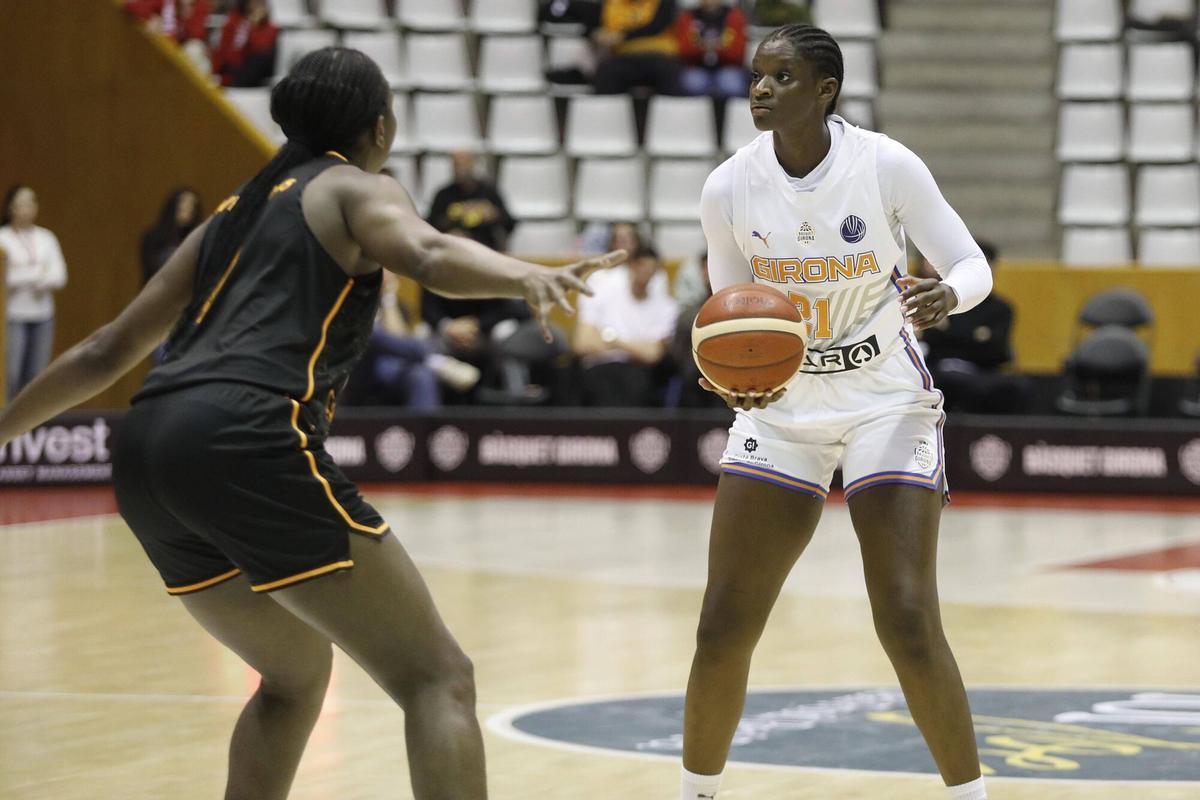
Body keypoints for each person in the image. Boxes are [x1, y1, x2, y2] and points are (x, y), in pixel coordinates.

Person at [0, 48, 623, 799]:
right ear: (380, 126)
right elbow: (423, 250)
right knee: (439, 679)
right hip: (245, 438)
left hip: (144, 454)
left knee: (295, 675)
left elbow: (106, 351)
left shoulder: (232, 213)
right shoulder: (355, 188)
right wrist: (523, 273)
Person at [682, 25, 993, 800]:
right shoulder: (728, 187)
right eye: (757, 76)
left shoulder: (885, 164)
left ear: (824, 91)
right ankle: (695, 794)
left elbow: (970, 261)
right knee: (723, 625)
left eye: (781, 77)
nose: (760, 89)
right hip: (783, 410)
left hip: (886, 399)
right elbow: (731, 314)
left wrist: (948, 293)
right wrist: (732, 381)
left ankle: (971, 795)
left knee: (908, 619)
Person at [918, 241, 1030, 414]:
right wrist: (975, 336)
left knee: (1018, 386)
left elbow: (997, 349)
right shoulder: (944, 299)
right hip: (940, 368)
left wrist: (949, 331)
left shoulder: (1001, 308)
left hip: (982, 372)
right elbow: (930, 338)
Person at [573, 244, 678, 406]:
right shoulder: (602, 290)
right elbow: (582, 344)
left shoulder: (666, 307)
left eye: (650, 270)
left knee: (636, 384)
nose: (645, 274)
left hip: (637, 372)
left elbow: (652, 354)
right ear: (631, 266)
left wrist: (612, 339)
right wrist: (634, 347)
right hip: (599, 369)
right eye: (641, 267)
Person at [0, 185, 68, 402]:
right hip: (13, 315)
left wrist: (23, 274)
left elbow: (59, 275)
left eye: (32, 202)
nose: (28, 208)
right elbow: (5, 279)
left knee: (37, 376)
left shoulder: (46, 238)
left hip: (43, 315)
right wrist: (37, 273)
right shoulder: (3, 238)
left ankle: (32, 431)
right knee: (12, 374)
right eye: (22, 203)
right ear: (11, 207)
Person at [426, 151, 515, 252]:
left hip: (485, 250)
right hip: (452, 251)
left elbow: (510, 224)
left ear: (473, 164)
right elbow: (431, 225)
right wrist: (450, 220)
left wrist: (494, 215)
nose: (461, 169)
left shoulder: (489, 192)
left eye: (465, 163)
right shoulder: (444, 194)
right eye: (457, 164)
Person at [593, 0, 682, 95]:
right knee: (606, 72)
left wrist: (623, 36)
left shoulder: (665, 2)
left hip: (659, 56)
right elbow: (601, 29)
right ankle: (607, 109)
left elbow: (657, 25)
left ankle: (671, 109)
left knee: (670, 73)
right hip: (624, 57)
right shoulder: (612, 3)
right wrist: (598, 34)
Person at [676, 0, 749, 98]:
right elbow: (683, 51)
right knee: (692, 83)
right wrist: (707, 48)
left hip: (727, 67)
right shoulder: (688, 16)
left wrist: (713, 48)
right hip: (696, 67)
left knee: (732, 85)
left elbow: (738, 54)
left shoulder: (734, 15)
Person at [140, 187, 204, 285]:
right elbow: (150, 267)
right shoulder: (154, 237)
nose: (187, 210)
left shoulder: (199, 239)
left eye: (191, 207)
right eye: (183, 206)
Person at [211, 0, 278, 88]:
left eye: (261, 3)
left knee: (262, 57)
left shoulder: (269, 27)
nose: (257, 5)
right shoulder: (233, 21)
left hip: (256, 73)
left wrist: (253, 27)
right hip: (234, 70)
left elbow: (260, 49)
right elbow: (229, 54)